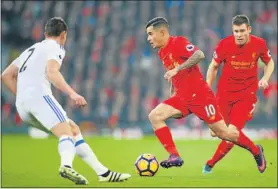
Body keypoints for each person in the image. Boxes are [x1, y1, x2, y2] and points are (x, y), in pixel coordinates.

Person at [1, 17, 131, 185]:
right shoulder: (56, 47)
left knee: (72, 129)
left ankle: (102, 172)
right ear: (63, 35)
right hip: (39, 97)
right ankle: (66, 166)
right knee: (66, 133)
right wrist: (73, 94)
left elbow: (5, 76)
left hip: (22, 105)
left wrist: (22, 96)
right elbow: (52, 72)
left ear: (46, 33)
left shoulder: (30, 49)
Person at [145, 17, 266, 171]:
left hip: (200, 96)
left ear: (162, 32)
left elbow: (199, 55)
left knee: (223, 133)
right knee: (155, 116)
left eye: (150, 34)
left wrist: (177, 69)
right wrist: (172, 91)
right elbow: (174, 73)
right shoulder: (162, 51)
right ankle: (174, 156)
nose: (148, 39)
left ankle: (256, 150)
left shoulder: (178, 43)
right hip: (182, 97)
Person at [203, 14, 274, 174]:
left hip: (246, 95)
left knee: (232, 132)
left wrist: (265, 77)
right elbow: (213, 67)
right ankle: (211, 163)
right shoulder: (224, 45)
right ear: (232, 31)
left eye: (242, 31)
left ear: (249, 29)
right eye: (236, 31)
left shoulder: (259, 44)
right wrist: (207, 91)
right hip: (224, 94)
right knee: (216, 132)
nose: (239, 35)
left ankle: (256, 152)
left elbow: (270, 62)